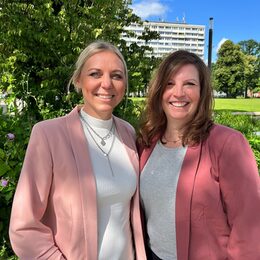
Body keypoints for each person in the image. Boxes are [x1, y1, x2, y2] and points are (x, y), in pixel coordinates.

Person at [9, 41, 146, 260]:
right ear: (78, 79)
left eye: (117, 76)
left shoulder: (128, 133)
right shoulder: (48, 135)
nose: (107, 84)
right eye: (95, 74)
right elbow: (23, 227)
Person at [137, 50, 260, 260]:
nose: (178, 93)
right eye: (169, 83)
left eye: (189, 84)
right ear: (159, 91)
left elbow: (249, 226)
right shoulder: (147, 143)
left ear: (202, 91)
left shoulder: (227, 144)